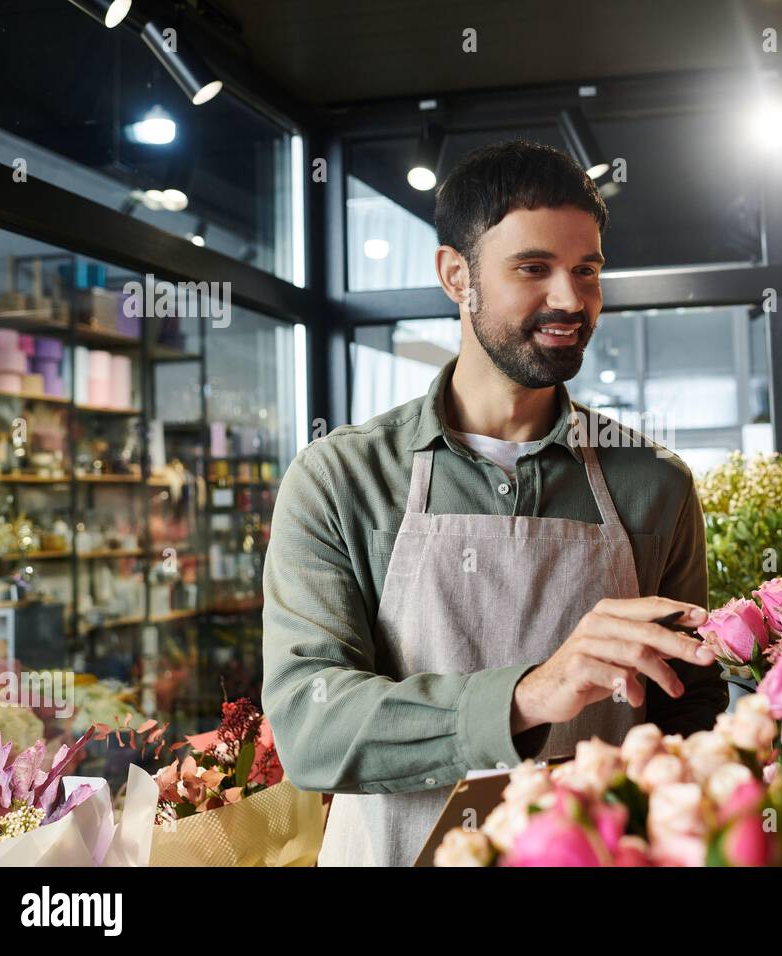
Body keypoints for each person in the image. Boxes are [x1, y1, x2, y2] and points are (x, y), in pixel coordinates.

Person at [261, 139, 727, 866]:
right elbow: (309, 725)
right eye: (533, 269)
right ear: (457, 276)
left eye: (588, 270)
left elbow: (687, 707)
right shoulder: (341, 478)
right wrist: (530, 696)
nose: (570, 299)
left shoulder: (654, 482)